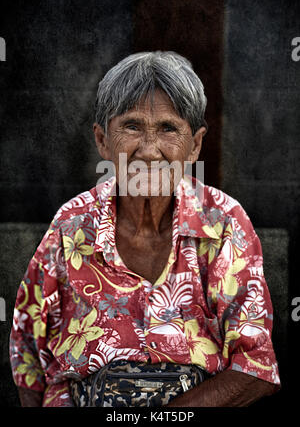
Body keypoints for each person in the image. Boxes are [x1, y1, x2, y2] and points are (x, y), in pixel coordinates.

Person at [10, 51, 280, 407]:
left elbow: (256, 365)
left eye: (169, 128)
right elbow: (28, 354)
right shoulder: (72, 225)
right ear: (102, 140)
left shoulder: (224, 223)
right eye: (132, 126)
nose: (150, 151)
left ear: (194, 144)